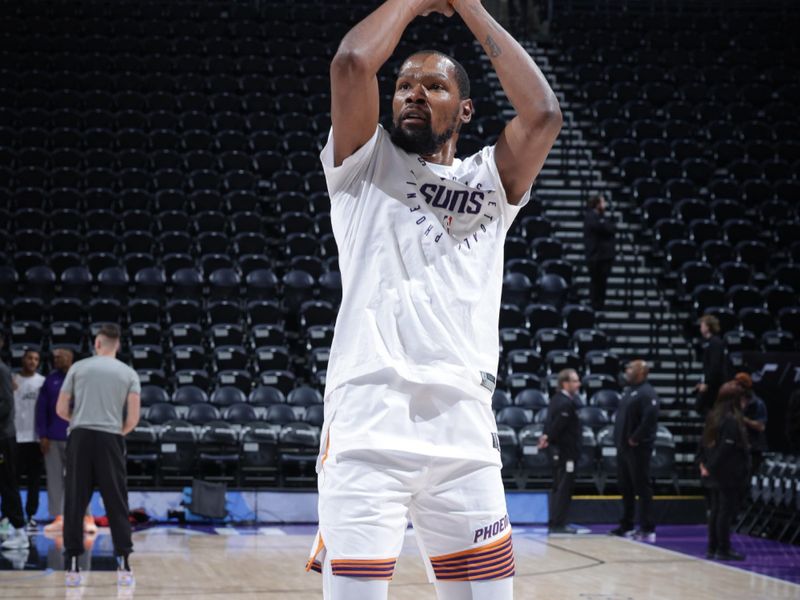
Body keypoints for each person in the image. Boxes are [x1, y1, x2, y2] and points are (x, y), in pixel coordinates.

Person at [306, 1, 562, 598]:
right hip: (368, 428)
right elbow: (350, 64)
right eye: (403, 85)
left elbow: (544, 113)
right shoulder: (364, 166)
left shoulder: (490, 182)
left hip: (465, 435)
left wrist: (469, 6)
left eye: (434, 85)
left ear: (465, 109)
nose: (413, 94)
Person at [55, 324, 141, 587]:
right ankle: (124, 564)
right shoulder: (129, 373)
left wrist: (80, 421)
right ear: (118, 345)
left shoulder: (78, 368)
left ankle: (72, 565)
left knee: (75, 501)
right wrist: (116, 431)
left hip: (80, 437)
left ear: (97, 343)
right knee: (116, 501)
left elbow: (60, 409)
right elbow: (133, 418)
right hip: (111, 438)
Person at [36, 347, 96, 535]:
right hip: (53, 437)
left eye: (60, 357)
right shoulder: (50, 380)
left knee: (80, 477)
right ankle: (58, 517)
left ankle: (87, 517)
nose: (56, 359)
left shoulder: (83, 378)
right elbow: (42, 409)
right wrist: (43, 435)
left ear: (70, 357)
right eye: (54, 357)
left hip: (77, 436)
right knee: (54, 479)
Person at [698, 381, 750, 561]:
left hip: (714, 471)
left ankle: (712, 547)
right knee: (724, 512)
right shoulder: (730, 419)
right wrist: (710, 467)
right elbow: (725, 449)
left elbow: (703, 443)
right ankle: (723, 548)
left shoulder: (713, 415)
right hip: (726, 472)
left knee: (716, 510)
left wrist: (703, 463)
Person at [610, 359, 659, 542]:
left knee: (641, 487)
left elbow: (650, 419)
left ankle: (647, 527)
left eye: (630, 368)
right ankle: (627, 525)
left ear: (641, 372)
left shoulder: (647, 393)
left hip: (638, 449)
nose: (627, 370)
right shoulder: (630, 390)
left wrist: (635, 437)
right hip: (624, 449)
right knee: (626, 487)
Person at [538, 369, 582, 534]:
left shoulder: (556, 399)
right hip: (566, 453)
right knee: (564, 488)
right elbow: (556, 427)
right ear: (565, 383)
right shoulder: (565, 402)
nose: (578, 384)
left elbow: (550, 425)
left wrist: (546, 436)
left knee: (558, 487)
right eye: (575, 381)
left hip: (560, 452)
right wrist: (548, 437)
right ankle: (558, 524)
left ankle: (556, 521)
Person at [0, 332, 29, 550]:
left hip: (3, 437)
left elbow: (6, 406)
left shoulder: (1, 370)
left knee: (8, 484)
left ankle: (20, 531)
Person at [12, 348, 45, 530]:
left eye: (36, 359)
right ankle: (10, 515)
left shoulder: (42, 382)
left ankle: (31, 515)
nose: (32, 361)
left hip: (35, 439)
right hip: (14, 438)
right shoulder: (11, 380)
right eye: (30, 358)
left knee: (34, 481)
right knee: (12, 480)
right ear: (23, 359)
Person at [583, 193, 616, 312]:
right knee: (596, 282)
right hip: (595, 256)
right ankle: (595, 305)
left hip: (603, 257)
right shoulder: (591, 217)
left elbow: (611, 228)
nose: (605, 205)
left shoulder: (602, 217)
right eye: (602, 202)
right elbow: (605, 228)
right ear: (597, 204)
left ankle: (599, 304)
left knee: (602, 283)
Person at [734, 372, 767, 475]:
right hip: (737, 447)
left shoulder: (758, 403)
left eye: (738, 385)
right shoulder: (733, 402)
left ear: (745, 387)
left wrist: (745, 420)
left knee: (750, 478)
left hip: (754, 448)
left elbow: (761, 427)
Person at [695, 314, 726, 417]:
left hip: (714, 385)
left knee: (701, 406)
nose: (700, 328)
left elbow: (715, 366)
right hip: (711, 382)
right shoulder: (710, 343)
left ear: (708, 327)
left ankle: (715, 426)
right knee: (700, 406)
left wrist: (707, 383)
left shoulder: (715, 343)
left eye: (702, 325)